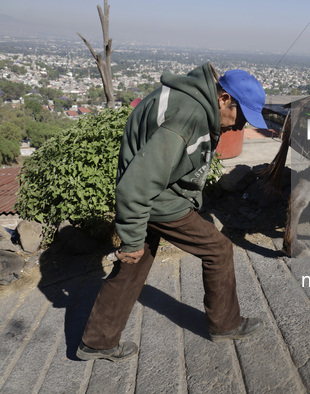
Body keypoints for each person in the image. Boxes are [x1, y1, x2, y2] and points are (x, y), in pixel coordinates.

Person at [76, 63, 267, 362]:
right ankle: (226, 325)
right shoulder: (187, 116)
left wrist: (133, 242)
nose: (239, 126)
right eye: (240, 117)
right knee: (218, 249)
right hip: (159, 200)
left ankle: (97, 341)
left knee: (134, 261)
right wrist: (131, 236)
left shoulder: (191, 100)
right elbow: (138, 185)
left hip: (155, 195)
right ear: (224, 98)